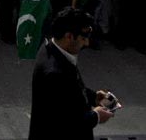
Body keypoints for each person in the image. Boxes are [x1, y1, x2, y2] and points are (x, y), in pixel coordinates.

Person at [29, 7, 114, 140]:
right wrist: (96, 117)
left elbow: (68, 90)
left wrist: (92, 97)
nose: (87, 42)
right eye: (84, 37)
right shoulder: (54, 73)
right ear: (69, 36)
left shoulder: (51, 49)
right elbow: (63, 123)